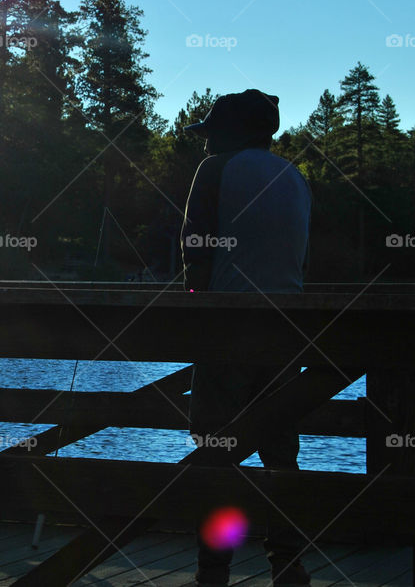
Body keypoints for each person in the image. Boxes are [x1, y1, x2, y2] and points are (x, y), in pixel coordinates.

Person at [180, 89, 313, 587]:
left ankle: (213, 572)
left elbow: (195, 249)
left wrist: (194, 307)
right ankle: (288, 565)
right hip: (286, 336)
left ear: (232, 134)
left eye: (211, 133)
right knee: (280, 453)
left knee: (215, 451)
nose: (206, 143)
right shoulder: (295, 177)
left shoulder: (216, 171)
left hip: (227, 331)